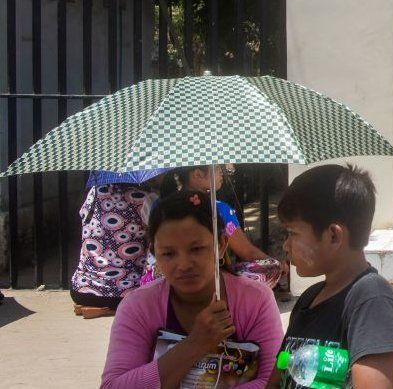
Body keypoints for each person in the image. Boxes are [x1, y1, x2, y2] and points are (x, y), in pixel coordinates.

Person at [101, 190, 283, 388]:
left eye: (196, 249)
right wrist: (195, 344)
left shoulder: (255, 300)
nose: (184, 264)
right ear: (155, 254)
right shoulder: (137, 307)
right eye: (169, 253)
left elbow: (272, 381)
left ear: (221, 245)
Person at [268, 164, 393, 389]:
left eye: (293, 233)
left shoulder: (371, 299)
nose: (286, 245)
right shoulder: (309, 299)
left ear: (333, 235)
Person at [151, 165, 282, 289]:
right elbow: (247, 253)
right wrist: (279, 265)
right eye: (218, 168)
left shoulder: (159, 205)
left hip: (158, 279)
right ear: (197, 174)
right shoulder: (218, 209)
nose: (221, 173)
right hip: (204, 282)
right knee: (272, 267)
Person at [71, 181, 159, 319]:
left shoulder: (95, 192)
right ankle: (111, 309)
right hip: (126, 293)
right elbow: (158, 232)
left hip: (81, 290)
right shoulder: (146, 198)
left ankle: (103, 308)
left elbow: (83, 216)